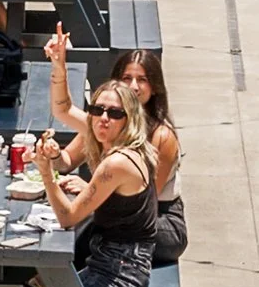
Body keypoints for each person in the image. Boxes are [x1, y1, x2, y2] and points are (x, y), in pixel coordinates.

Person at [30, 85, 157, 287]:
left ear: (128, 119)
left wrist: (47, 174)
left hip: (121, 271)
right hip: (113, 262)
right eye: (98, 110)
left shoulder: (116, 161)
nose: (103, 118)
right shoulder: (125, 151)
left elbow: (68, 217)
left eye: (114, 113)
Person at [45, 28, 185, 260]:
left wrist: (92, 190)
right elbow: (64, 112)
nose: (134, 86)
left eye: (142, 80)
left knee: (88, 223)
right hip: (121, 215)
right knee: (81, 220)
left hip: (160, 223)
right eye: (127, 78)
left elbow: (144, 205)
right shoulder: (107, 121)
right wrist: (53, 156)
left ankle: (61, 282)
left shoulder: (162, 136)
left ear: (155, 87)